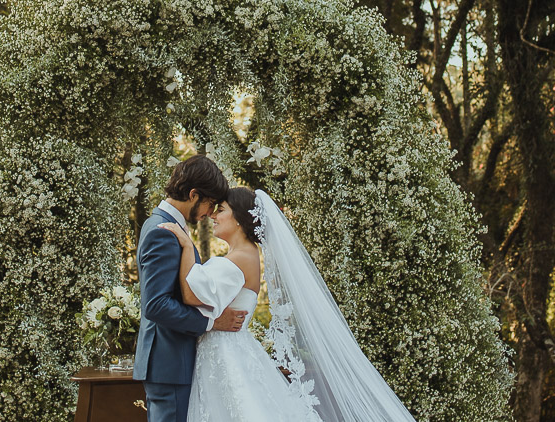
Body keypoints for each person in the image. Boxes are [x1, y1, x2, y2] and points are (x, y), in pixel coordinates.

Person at [158, 187, 420, 422]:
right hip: (227, 352)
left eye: (221, 210)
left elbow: (192, 295)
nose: (214, 216)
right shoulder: (243, 255)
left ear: (238, 218)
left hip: (226, 357)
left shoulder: (239, 258)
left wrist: (186, 246)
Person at [135, 156, 247, 422]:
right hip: (169, 364)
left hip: (172, 363)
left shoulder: (167, 226)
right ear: (194, 194)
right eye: (209, 204)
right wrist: (212, 321)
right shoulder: (162, 231)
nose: (210, 213)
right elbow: (156, 305)